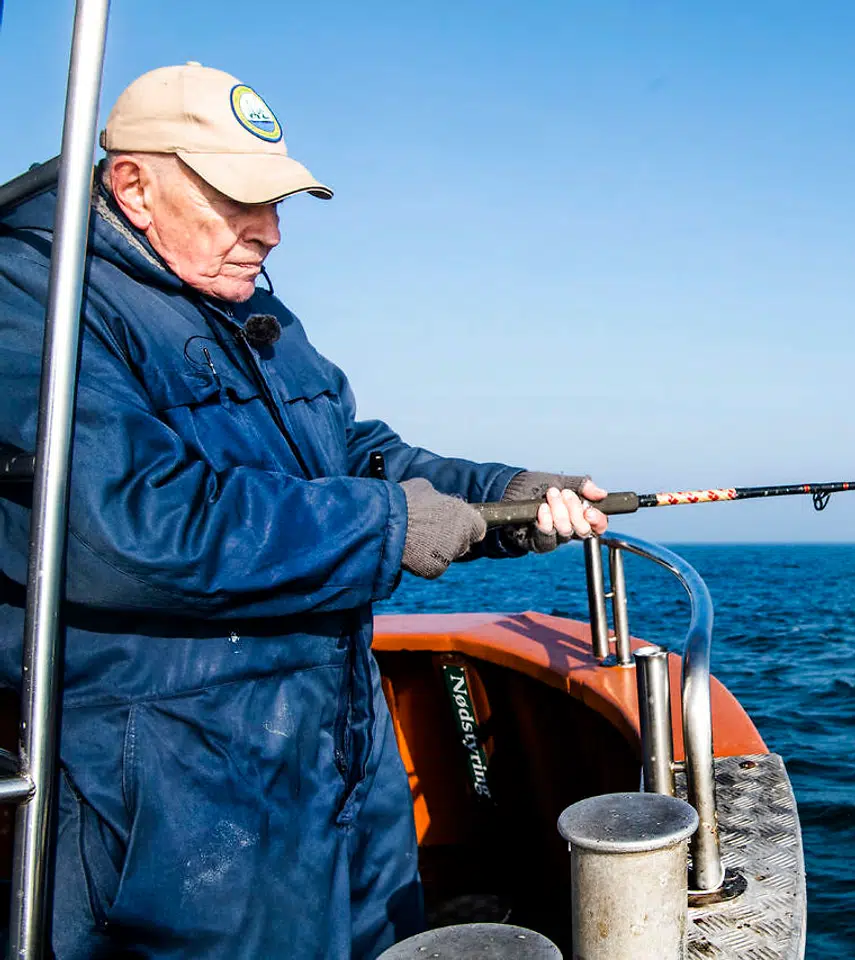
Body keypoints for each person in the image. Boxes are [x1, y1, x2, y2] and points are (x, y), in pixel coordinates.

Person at [0, 63, 607, 958]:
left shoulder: (237, 294)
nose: (272, 234)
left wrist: (503, 495)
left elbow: (351, 454)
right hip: (175, 792)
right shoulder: (32, 303)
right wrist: (390, 527)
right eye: (240, 203)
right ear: (133, 186)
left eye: (277, 203)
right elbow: (124, 525)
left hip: (333, 757)